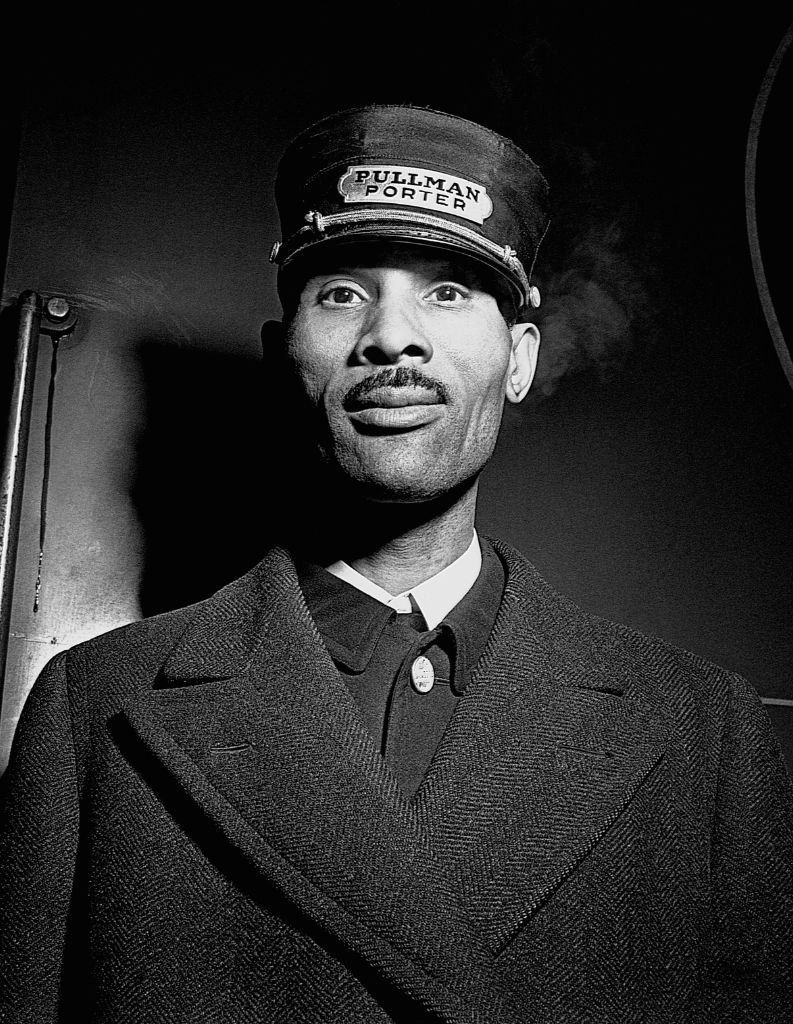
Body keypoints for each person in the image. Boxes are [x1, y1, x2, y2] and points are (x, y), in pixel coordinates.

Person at [1, 104, 791, 1024]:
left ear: (519, 359)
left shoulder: (705, 734)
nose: (391, 337)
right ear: (278, 355)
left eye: (448, 290)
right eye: (342, 292)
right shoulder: (93, 708)